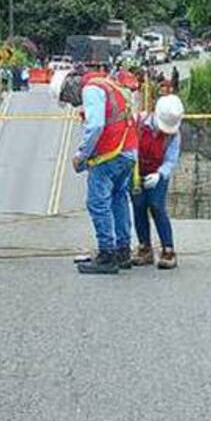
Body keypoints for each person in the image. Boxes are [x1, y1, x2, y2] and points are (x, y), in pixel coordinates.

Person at [58, 70, 139, 275]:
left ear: (70, 86)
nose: (73, 103)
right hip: (128, 151)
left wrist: (81, 154)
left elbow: (95, 126)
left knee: (97, 202)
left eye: (68, 98)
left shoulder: (91, 89)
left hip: (110, 153)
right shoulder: (108, 84)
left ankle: (107, 254)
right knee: (118, 198)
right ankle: (123, 250)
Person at [132, 94, 184, 269]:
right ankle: (144, 247)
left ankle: (168, 249)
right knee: (138, 205)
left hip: (158, 173)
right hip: (136, 171)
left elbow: (170, 160)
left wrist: (159, 175)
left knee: (156, 205)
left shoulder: (173, 135)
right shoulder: (138, 122)